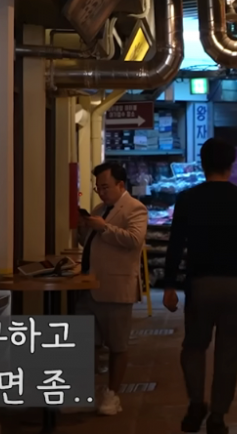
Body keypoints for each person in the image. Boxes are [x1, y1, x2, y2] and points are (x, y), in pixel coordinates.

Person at [162, 138, 237, 434]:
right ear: (231, 165)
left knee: (194, 347)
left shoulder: (187, 199)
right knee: (229, 351)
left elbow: (176, 244)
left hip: (200, 283)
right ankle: (218, 416)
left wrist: (169, 284)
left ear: (202, 163)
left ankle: (197, 403)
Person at [75, 162, 148, 415]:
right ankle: (82, 391)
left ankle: (112, 395)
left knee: (117, 345)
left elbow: (134, 240)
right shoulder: (99, 209)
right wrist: (83, 227)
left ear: (120, 184)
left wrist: (103, 227)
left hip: (116, 288)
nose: (101, 192)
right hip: (89, 286)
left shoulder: (135, 208)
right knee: (85, 342)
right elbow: (91, 243)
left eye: (105, 187)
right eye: (98, 188)